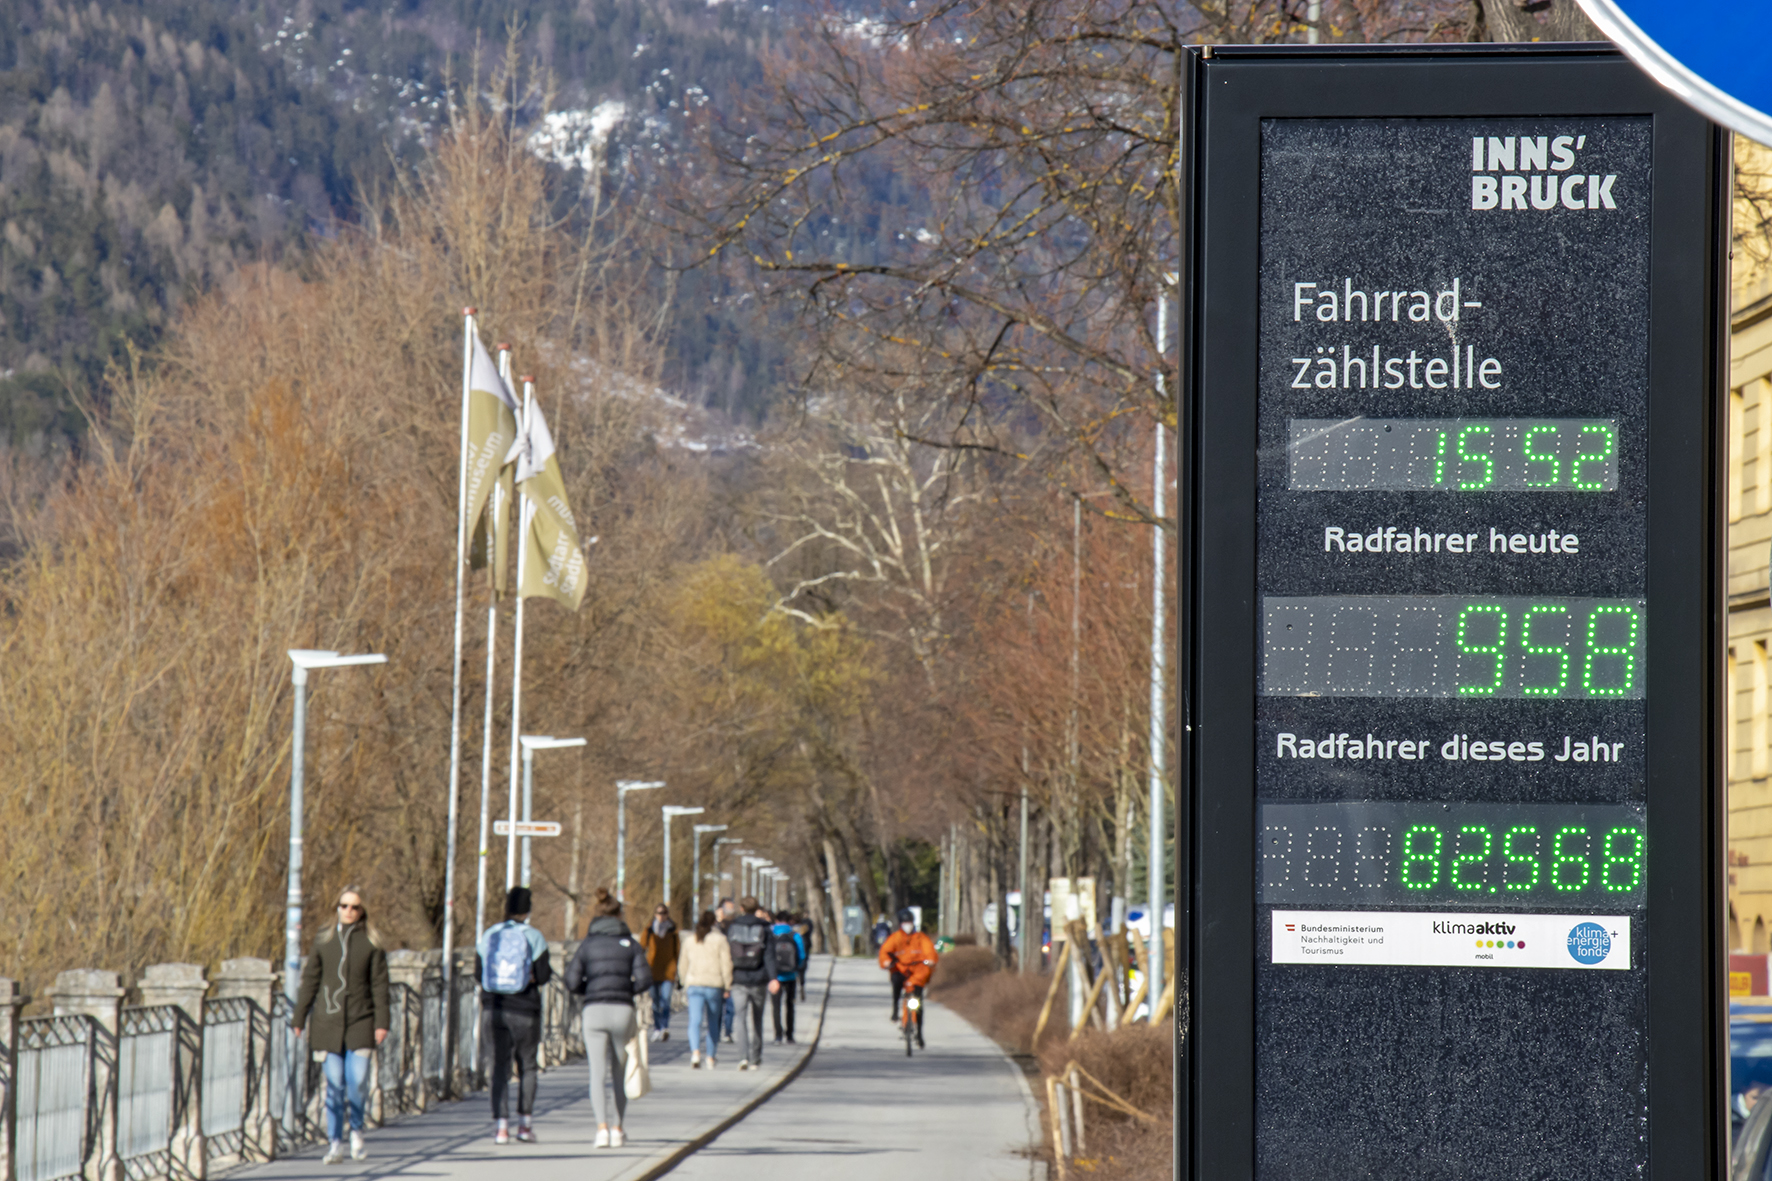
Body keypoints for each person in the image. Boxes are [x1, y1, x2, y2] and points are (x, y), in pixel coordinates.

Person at [292, 885, 389, 1164]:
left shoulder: (371, 944)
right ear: (337, 908)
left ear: (362, 911)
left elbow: (380, 986)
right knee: (333, 1085)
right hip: (327, 1023)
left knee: (356, 1081)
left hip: (361, 1022)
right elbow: (310, 980)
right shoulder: (324, 941)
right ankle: (335, 1142)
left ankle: (356, 1130)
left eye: (354, 907)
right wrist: (300, 1016)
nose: (348, 911)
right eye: (343, 906)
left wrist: (382, 1023)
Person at [565, 888, 652, 1148]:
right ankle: (618, 1128)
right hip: (622, 1010)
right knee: (620, 1072)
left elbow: (570, 980)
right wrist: (627, 991)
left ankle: (601, 1129)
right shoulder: (631, 944)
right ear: (619, 916)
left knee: (596, 1073)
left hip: (594, 1011)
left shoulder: (587, 945)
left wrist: (589, 991)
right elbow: (645, 979)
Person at [476, 886, 551, 1144]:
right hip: (525, 1009)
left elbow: (479, 975)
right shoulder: (534, 937)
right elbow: (543, 976)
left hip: (493, 1009)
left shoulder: (489, 935)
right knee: (528, 1066)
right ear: (527, 910)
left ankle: (501, 1127)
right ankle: (525, 1125)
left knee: (498, 1067)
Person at [724, 896, 779, 1070]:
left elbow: (727, 955)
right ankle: (756, 1058)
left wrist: (725, 979)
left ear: (741, 908)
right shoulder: (764, 928)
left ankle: (743, 1057)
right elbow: (769, 955)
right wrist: (773, 978)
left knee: (740, 1019)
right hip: (759, 979)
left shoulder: (732, 927)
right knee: (757, 1019)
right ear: (757, 909)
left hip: (738, 979)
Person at [677, 908, 733, 1069]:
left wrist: (683, 980)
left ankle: (695, 1053)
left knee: (694, 1021)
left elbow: (683, 964)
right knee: (713, 1021)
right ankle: (710, 1056)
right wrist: (727, 985)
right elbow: (726, 964)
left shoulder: (690, 940)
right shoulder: (720, 939)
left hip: (695, 983)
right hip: (714, 984)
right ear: (714, 922)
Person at [877, 907, 938, 1047]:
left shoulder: (921, 938)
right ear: (900, 924)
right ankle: (895, 1008)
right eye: (905, 922)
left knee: (919, 1002)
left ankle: (920, 1034)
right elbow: (885, 951)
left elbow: (930, 951)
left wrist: (930, 960)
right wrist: (886, 962)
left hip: (917, 972)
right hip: (901, 970)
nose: (908, 925)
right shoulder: (896, 938)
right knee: (896, 981)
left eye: (910, 922)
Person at [640, 904, 680, 1042]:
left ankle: (664, 1027)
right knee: (655, 1001)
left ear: (667, 914)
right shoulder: (650, 929)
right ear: (655, 914)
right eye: (658, 913)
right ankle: (657, 1027)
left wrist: (677, 969)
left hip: (668, 971)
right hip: (652, 971)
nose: (661, 916)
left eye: (663, 913)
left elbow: (678, 951)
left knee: (666, 1000)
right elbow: (641, 947)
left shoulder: (673, 930)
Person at [769, 910, 804, 1044]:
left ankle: (778, 1035)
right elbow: (802, 955)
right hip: (790, 976)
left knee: (776, 1006)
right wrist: (796, 969)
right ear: (789, 921)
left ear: (776, 920)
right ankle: (790, 1035)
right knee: (790, 1005)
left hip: (775, 977)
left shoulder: (772, 934)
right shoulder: (795, 935)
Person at [716, 897, 738, 1043]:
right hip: (716, 971)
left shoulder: (735, 926)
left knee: (730, 1005)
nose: (729, 912)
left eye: (731, 909)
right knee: (717, 1005)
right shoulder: (714, 927)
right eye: (727, 909)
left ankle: (727, 1031)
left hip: (732, 969)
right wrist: (717, 922)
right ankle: (716, 1031)